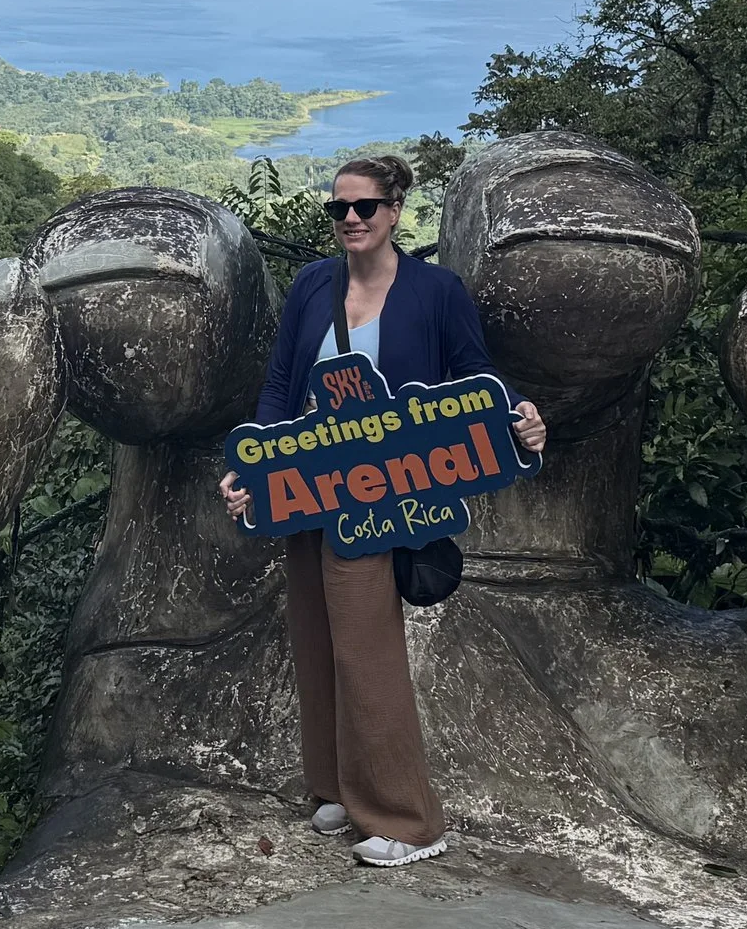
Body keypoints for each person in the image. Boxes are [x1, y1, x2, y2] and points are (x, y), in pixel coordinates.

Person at [218, 153, 546, 868]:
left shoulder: (436, 291)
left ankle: (409, 818)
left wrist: (521, 417)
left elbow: (475, 377)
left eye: (366, 207)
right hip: (305, 486)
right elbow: (279, 386)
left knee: (365, 646)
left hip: (382, 494)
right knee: (314, 636)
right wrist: (251, 467)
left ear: (396, 210)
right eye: (340, 209)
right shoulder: (312, 285)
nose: (352, 220)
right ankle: (336, 784)